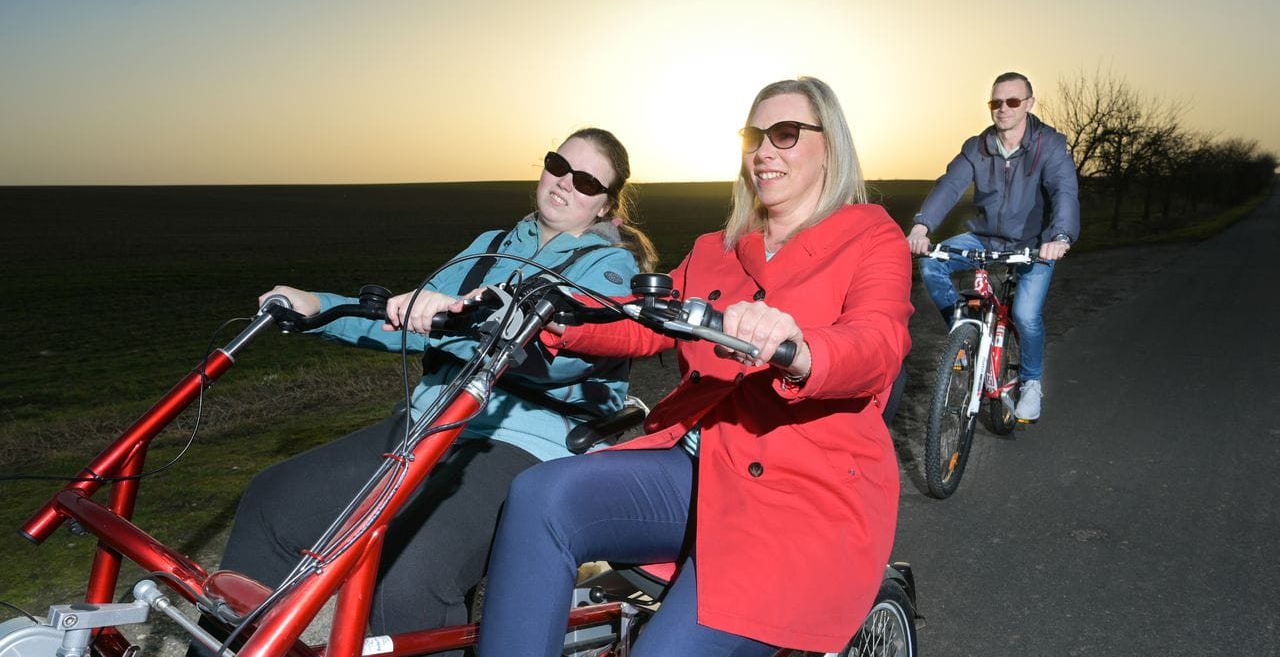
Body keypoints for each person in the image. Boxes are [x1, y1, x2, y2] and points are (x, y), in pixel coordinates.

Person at [476, 77, 913, 656]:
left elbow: (878, 341)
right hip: (698, 469)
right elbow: (641, 319)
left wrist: (801, 347)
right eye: (754, 136)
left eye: (785, 134)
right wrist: (558, 318)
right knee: (540, 498)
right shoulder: (718, 247)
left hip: (798, 498)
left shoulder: (869, 234)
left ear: (829, 144)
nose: (764, 151)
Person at [204, 128, 657, 650]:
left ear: (604, 206)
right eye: (558, 164)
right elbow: (412, 316)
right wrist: (317, 307)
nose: (564, 182)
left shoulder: (609, 268)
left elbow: (561, 361)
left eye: (585, 180)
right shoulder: (490, 245)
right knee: (273, 498)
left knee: (411, 574)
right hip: (430, 423)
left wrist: (473, 316)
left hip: (519, 441)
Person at [905, 71, 1080, 422]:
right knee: (932, 263)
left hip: (1036, 243)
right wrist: (922, 225)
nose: (1003, 109)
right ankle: (963, 330)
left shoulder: (1050, 145)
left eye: (1013, 101)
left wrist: (1059, 236)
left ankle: (1031, 383)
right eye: (996, 102)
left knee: (1025, 315)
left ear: (1029, 104)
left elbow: (1064, 190)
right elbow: (950, 185)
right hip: (984, 236)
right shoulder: (977, 146)